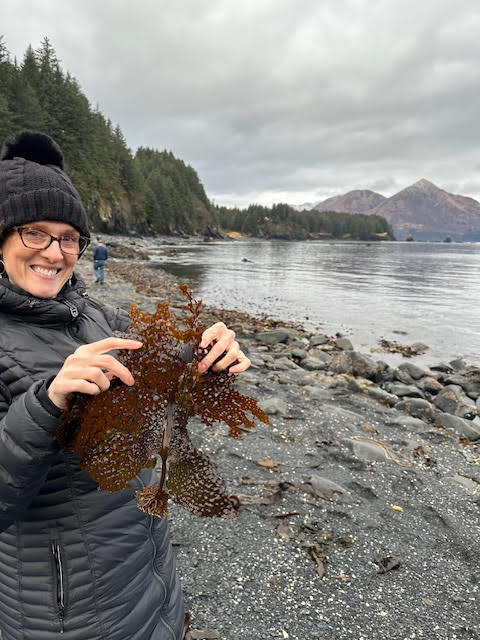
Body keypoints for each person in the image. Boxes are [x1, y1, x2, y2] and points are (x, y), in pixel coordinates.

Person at [0, 130, 251, 640]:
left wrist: (210, 356)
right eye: (35, 233)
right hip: (67, 611)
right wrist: (47, 404)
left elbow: (160, 366)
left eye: (69, 237)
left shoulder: (95, 314)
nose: (55, 252)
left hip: (146, 574)